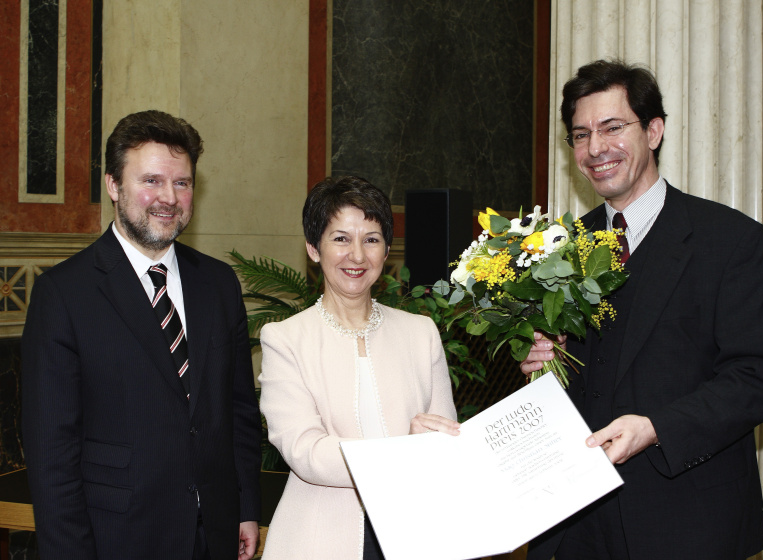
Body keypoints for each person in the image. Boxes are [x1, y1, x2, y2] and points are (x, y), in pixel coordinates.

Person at [522, 59, 763, 560]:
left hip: (687, 522)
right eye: (580, 135)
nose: (595, 148)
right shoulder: (559, 249)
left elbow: (761, 376)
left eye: (612, 128)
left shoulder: (729, 241)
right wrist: (545, 367)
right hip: (578, 525)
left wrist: (657, 428)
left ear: (654, 130)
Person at [21, 110, 262, 560]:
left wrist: (246, 506)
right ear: (114, 185)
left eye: (182, 183)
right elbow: (52, 451)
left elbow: (238, 411)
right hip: (117, 537)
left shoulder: (218, 283)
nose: (168, 197)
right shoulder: (64, 293)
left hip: (215, 532)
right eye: (151, 180)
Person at [258, 176, 460, 560]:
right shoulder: (285, 339)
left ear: (387, 251)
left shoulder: (420, 333)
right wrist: (403, 450)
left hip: (415, 535)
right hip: (320, 540)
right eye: (340, 239)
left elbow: (442, 442)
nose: (357, 256)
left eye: (371, 239)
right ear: (313, 249)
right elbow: (306, 450)